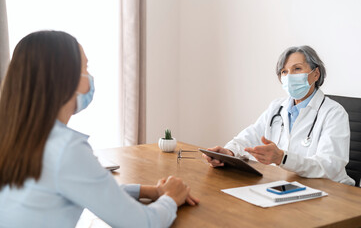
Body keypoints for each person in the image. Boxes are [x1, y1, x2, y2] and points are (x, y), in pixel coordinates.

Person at [0, 30, 199, 227]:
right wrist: (171, 197)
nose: (90, 77)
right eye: (86, 69)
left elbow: (86, 187)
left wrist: (149, 191)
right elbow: (144, 223)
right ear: (65, 78)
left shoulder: (18, 137)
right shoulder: (66, 149)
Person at [203, 46, 355, 186]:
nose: (289, 76)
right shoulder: (276, 107)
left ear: (316, 74)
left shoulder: (334, 113)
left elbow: (330, 166)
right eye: (284, 71)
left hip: (330, 192)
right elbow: (250, 137)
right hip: (288, 185)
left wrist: (282, 158)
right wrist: (229, 152)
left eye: (297, 69)